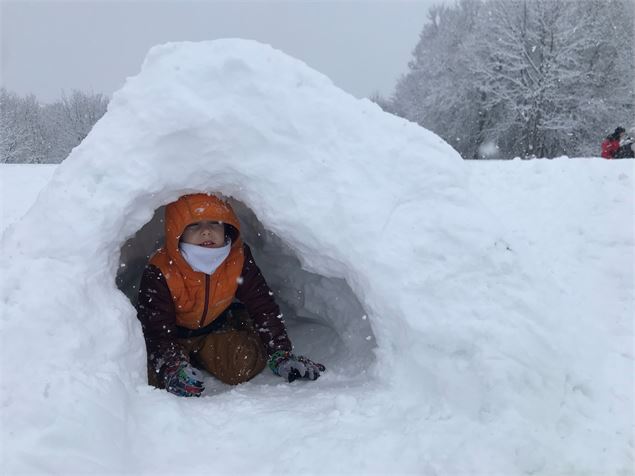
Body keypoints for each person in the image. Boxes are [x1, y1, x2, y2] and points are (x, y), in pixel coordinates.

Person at [136, 193, 325, 397]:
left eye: (214, 223)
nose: (206, 231)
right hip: (173, 336)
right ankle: (182, 361)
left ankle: (240, 327)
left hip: (214, 330)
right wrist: (171, 365)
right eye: (194, 225)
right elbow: (157, 328)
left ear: (227, 227)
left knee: (242, 364)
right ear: (177, 232)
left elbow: (262, 304)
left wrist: (280, 352)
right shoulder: (161, 270)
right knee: (154, 377)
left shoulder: (238, 258)